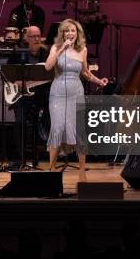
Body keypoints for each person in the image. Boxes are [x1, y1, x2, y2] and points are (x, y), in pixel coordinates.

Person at [45, 19, 108, 181]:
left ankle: (81, 171)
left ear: (77, 33)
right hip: (57, 93)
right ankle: (51, 170)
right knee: (57, 128)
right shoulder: (55, 47)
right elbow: (48, 66)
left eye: (73, 31)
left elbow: (85, 73)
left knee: (78, 130)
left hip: (76, 93)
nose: (70, 33)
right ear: (63, 33)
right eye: (67, 31)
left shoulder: (83, 50)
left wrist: (98, 81)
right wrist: (61, 49)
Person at [7, 26, 49, 168]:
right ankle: (21, 159)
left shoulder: (46, 53)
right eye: (33, 36)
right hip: (21, 96)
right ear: (26, 38)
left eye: (38, 35)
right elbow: (8, 74)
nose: (37, 39)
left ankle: (42, 156)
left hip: (40, 95)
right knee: (19, 123)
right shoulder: (18, 52)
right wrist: (18, 84)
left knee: (47, 117)